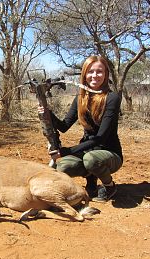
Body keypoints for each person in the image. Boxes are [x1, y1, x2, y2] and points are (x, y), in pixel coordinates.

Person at [39, 55, 123, 202]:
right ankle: (91, 180)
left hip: (110, 154)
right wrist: (48, 113)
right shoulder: (80, 99)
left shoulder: (112, 98)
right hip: (88, 152)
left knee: (91, 159)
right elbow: (64, 126)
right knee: (62, 168)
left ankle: (109, 186)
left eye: (99, 71)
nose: (94, 76)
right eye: (90, 72)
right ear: (84, 74)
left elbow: (100, 138)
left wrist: (66, 151)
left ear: (106, 74)